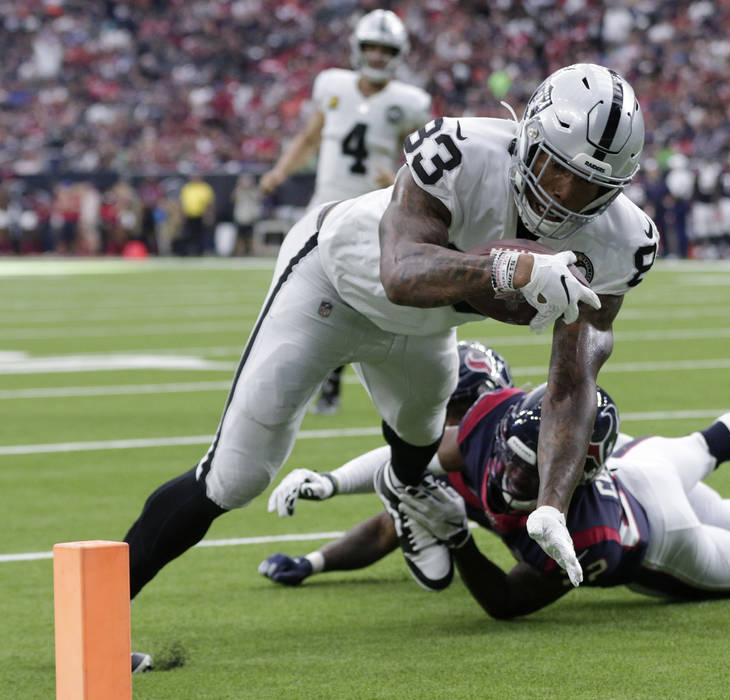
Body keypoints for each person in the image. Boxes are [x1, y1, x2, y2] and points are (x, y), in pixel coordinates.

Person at [121, 62, 656, 624]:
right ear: (528, 138)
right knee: (235, 477)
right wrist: (507, 271)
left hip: (422, 328)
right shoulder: (461, 150)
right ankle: (98, 623)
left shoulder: (624, 241)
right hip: (330, 285)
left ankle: (406, 499)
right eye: (556, 170)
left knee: (419, 444)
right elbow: (400, 272)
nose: (566, 197)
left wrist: (551, 501)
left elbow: (573, 383)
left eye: (593, 186)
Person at [259, 343, 730, 588]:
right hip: (649, 473)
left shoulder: (583, 529)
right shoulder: (482, 428)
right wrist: (320, 541)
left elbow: (511, 600)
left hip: (657, 537)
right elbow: (398, 490)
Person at [260, 10, 433, 415]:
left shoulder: (408, 102)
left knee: (357, 296)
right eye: (370, 47)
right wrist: (279, 171)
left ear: (399, 53)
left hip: (370, 211)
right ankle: (304, 378)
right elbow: (309, 136)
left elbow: (424, 158)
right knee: (300, 289)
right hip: (324, 204)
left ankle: (343, 382)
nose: (376, 55)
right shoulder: (334, 87)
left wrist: (395, 177)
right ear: (358, 48)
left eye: (385, 49)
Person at [260, 340, 513, 585]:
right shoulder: (454, 460)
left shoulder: (520, 461)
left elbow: (518, 595)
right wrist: (312, 562)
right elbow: (386, 527)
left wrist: (461, 543)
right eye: (437, 408)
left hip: (545, 553)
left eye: (453, 408)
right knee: (416, 497)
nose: (441, 422)